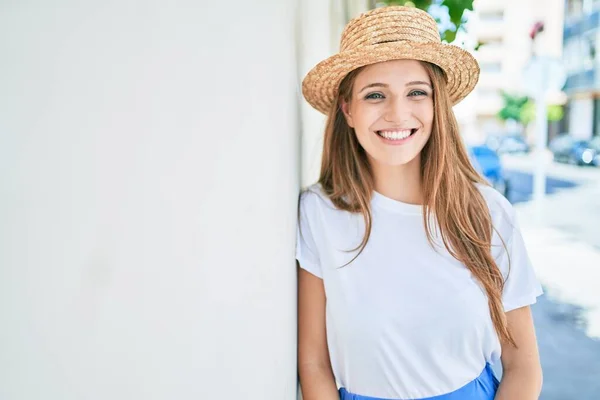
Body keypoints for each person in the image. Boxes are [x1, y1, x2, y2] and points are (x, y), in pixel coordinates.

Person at [296, 6, 543, 400]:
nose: (398, 114)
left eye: (416, 92)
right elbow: (314, 364)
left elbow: (523, 365)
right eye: (375, 95)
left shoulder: (488, 213)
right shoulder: (319, 214)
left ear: (436, 105)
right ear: (348, 110)